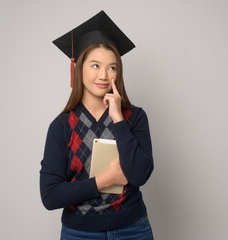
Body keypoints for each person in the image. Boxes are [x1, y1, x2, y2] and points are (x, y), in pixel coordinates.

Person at [40, 10, 154, 239]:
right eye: (95, 65)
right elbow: (50, 195)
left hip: (133, 229)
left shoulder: (134, 118)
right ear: (78, 68)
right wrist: (106, 179)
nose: (104, 75)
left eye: (112, 67)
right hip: (80, 234)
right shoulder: (61, 126)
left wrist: (118, 120)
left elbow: (140, 174)